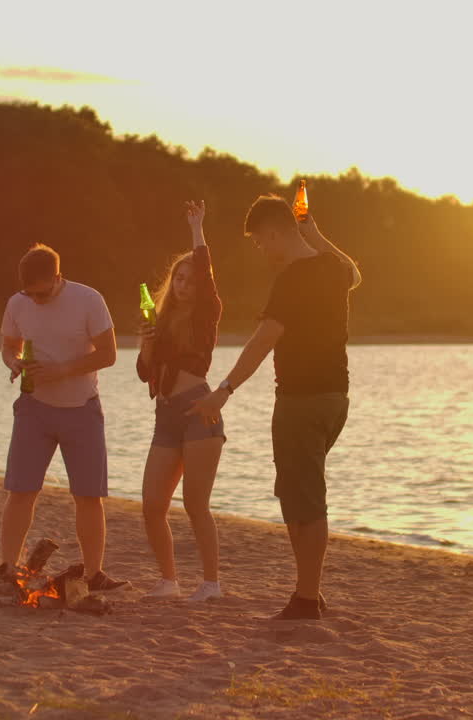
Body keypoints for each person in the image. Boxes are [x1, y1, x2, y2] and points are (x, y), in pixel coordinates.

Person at [188, 193, 361, 620]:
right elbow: (355, 273)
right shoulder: (331, 267)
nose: (262, 251)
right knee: (297, 493)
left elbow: (263, 340)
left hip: (301, 400)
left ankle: (306, 597)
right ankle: (308, 591)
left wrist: (223, 390)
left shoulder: (293, 278)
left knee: (305, 497)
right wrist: (315, 233)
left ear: (275, 232)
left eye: (262, 242)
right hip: (335, 398)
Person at [0, 244, 127, 592]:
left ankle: (95, 573)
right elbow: (10, 345)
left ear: (57, 277)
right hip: (33, 409)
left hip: (82, 409)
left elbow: (110, 354)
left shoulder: (89, 299)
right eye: (29, 292)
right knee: (20, 490)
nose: (35, 299)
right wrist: (14, 362)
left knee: (88, 496)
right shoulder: (17, 303)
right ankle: (8, 567)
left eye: (41, 292)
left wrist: (63, 370)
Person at [136, 200, 226, 602]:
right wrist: (147, 344)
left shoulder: (207, 313)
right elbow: (144, 373)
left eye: (190, 279)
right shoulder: (160, 320)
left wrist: (197, 229)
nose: (184, 285)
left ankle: (210, 584)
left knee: (195, 504)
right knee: (152, 504)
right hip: (165, 415)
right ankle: (169, 581)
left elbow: (206, 272)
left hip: (197, 410)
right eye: (179, 279)